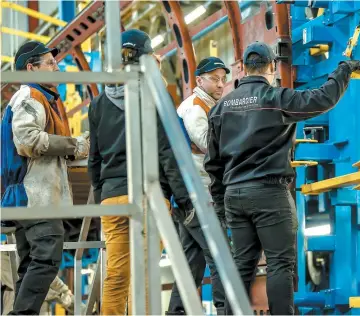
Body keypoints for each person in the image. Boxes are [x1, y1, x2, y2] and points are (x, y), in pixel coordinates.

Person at [204, 41, 360, 315]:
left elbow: (212, 164)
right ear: (271, 67)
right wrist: (345, 69)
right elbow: (322, 98)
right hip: (269, 194)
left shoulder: (219, 109)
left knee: (241, 264)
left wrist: (223, 207)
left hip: (235, 195)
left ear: (243, 68)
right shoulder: (276, 98)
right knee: (279, 263)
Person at [87, 29, 193, 315]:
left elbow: (94, 159)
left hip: (112, 200)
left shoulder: (98, 103)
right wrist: (184, 200)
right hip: (146, 196)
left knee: (116, 275)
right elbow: (167, 152)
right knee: (145, 276)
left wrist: (103, 195)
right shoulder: (153, 95)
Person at [0, 41, 90, 315]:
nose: (57, 66)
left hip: (32, 195)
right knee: (48, 257)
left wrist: (73, 149)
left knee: (30, 264)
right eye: (50, 62)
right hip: (35, 194)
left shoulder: (41, 99)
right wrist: (73, 145)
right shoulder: (30, 95)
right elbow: (27, 140)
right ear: (31, 68)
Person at [167, 57, 230, 315]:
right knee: (220, 255)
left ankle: (177, 311)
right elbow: (207, 144)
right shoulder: (195, 107)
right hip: (199, 196)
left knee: (191, 261)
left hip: (189, 197)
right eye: (214, 79)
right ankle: (226, 309)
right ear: (199, 80)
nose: (220, 84)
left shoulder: (207, 105)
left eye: (223, 79)